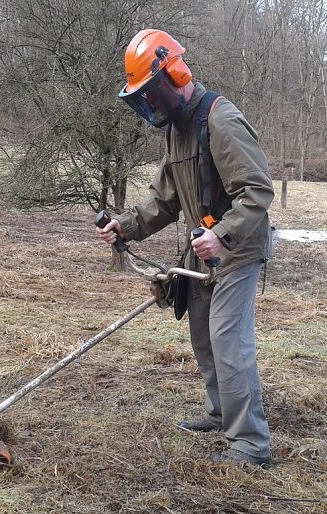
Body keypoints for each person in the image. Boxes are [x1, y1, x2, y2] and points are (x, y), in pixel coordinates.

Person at [96, 29, 275, 468]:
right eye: (143, 98)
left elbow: (257, 190)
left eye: (152, 93)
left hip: (237, 248)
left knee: (228, 341)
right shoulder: (177, 131)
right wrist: (126, 226)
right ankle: (220, 413)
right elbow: (164, 199)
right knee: (203, 336)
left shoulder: (219, 119)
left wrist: (223, 235)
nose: (151, 105)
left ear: (175, 74)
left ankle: (250, 444)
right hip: (204, 248)